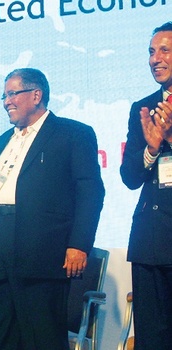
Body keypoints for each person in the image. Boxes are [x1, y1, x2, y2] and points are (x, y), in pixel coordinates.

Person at [0, 68, 105, 349]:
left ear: (36, 95)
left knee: (43, 336)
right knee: (2, 334)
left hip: (41, 251)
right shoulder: (2, 140)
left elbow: (90, 193)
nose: (6, 101)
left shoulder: (72, 134)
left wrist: (79, 244)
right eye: (4, 96)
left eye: (13, 94)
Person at [120, 21, 172, 349]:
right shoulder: (143, 107)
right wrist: (152, 149)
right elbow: (129, 177)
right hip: (151, 240)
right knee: (152, 340)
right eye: (151, 52)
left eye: (164, 50)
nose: (155, 58)